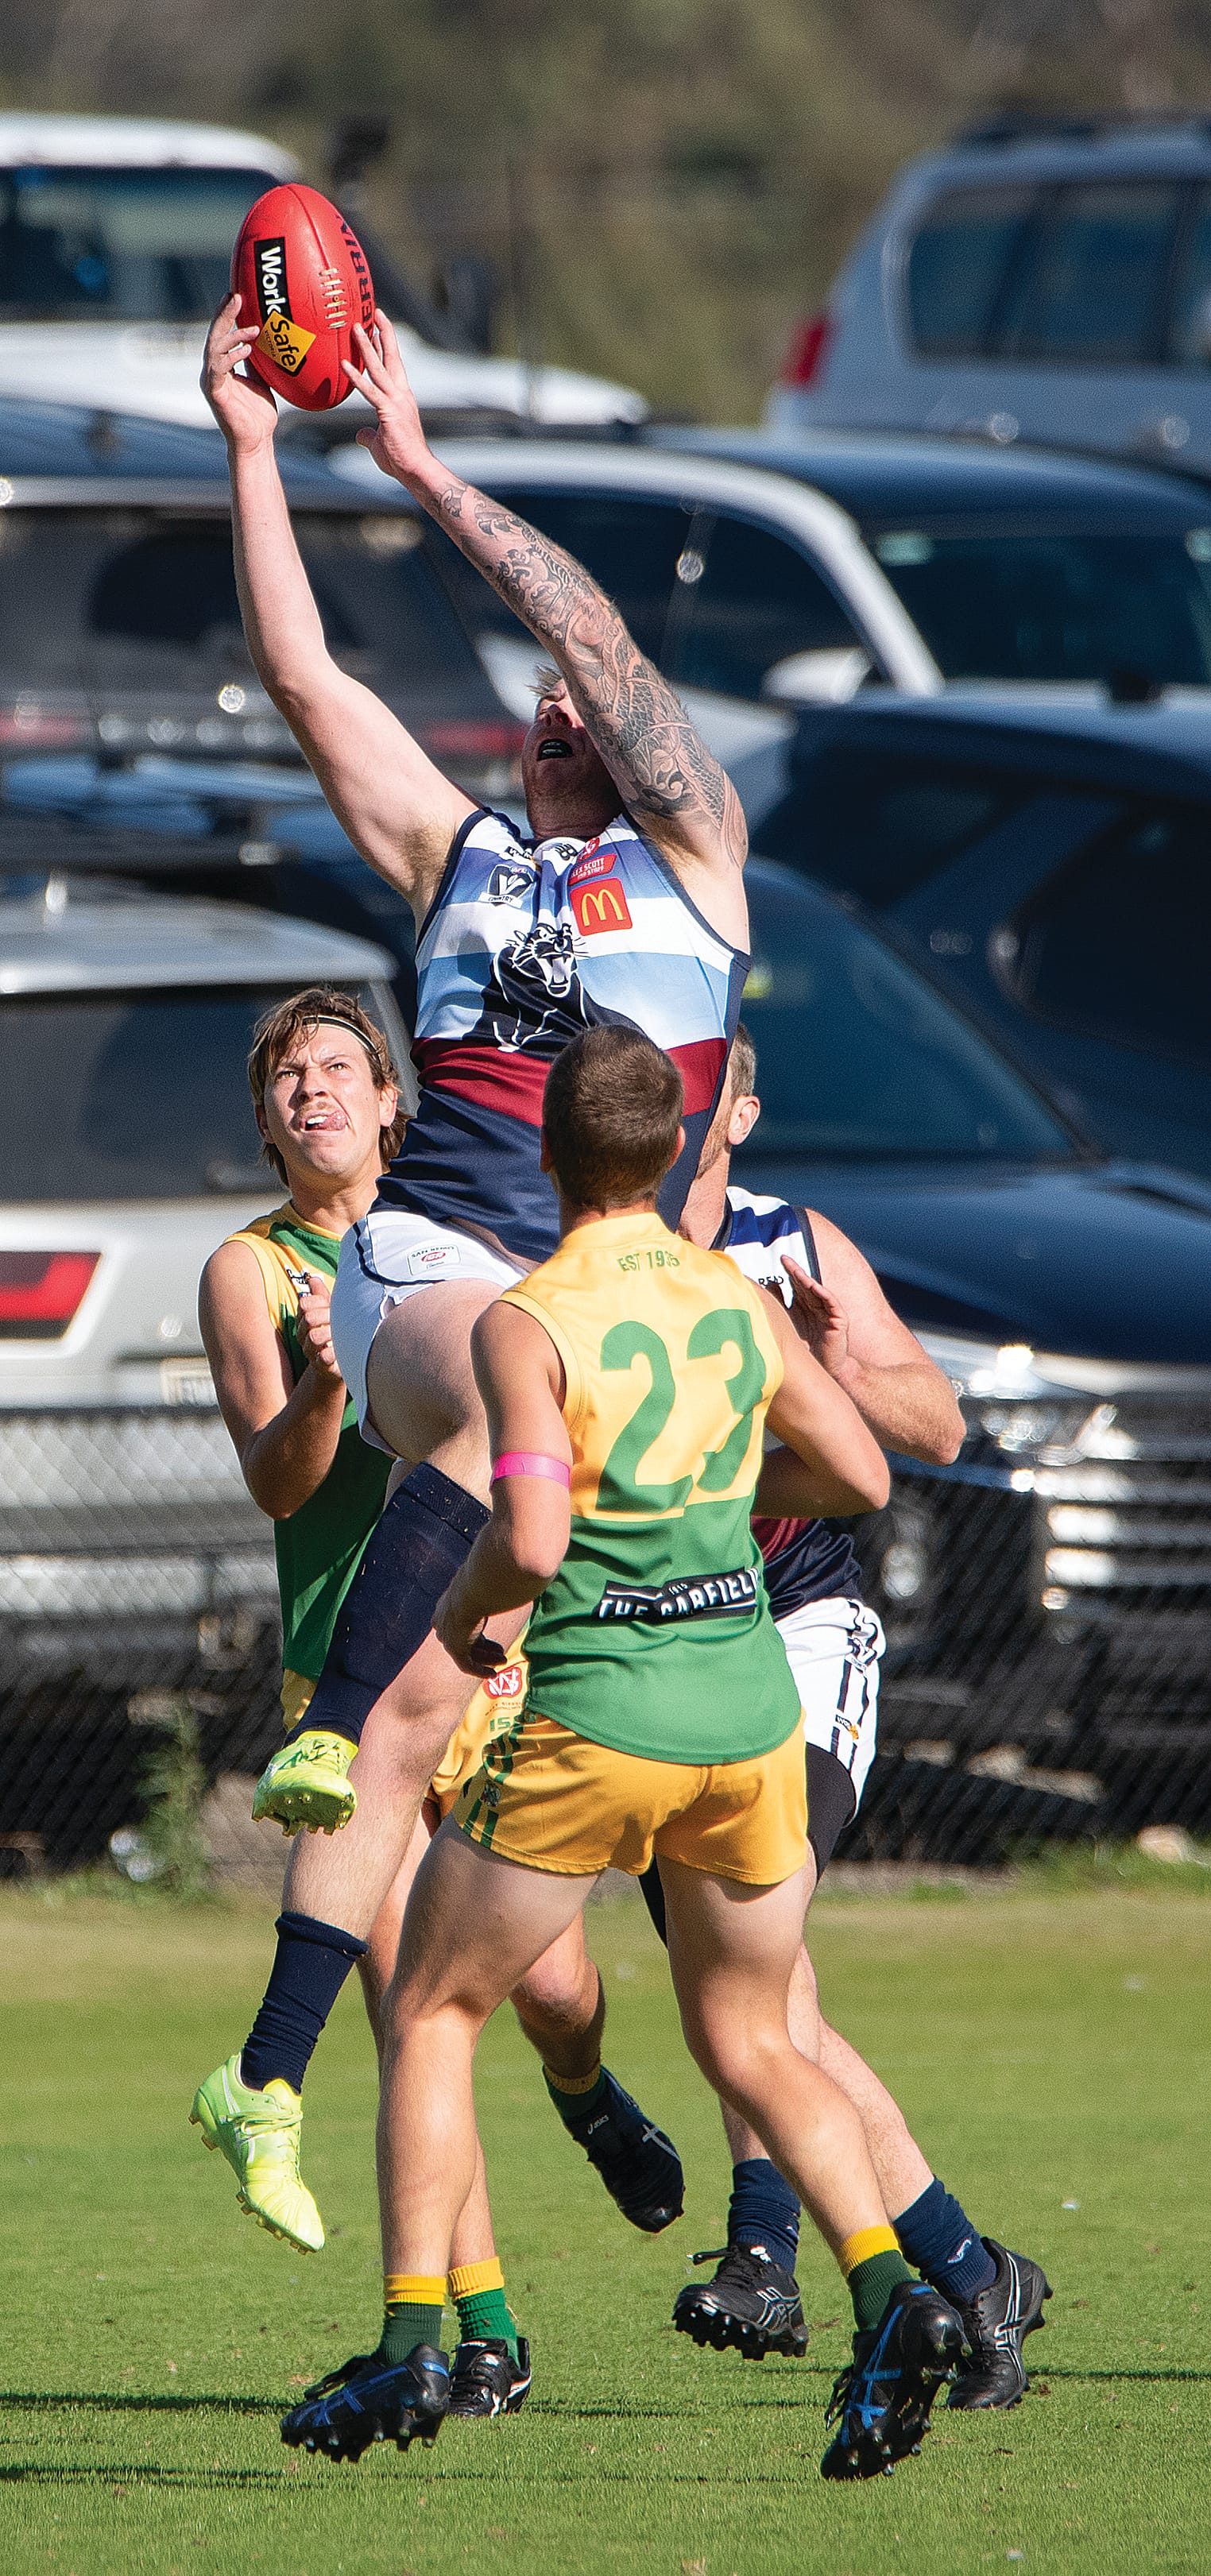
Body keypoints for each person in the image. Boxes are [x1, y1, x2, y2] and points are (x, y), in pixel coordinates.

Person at [194, 287, 752, 2214]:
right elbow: (303, 678)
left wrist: (423, 469)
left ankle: (266, 2072)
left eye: (586, 699)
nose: (559, 699)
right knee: (486, 1401)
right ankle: (328, 1724)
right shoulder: (457, 859)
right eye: (541, 700)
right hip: (433, 1270)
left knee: (458, 1731)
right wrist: (258, 453)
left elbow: (593, 632)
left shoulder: (695, 862)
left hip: (610, 1318)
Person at [281, 1027, 969, 2482]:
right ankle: (895, 2296)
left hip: (603, 1714)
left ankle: (417, 2338)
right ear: (674, 1151)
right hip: (747, 1719)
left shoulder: (525, 1318)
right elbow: (860, 1469)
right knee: (759, 2035)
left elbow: (530, 1537)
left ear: (540, 1154)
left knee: (438, 2004)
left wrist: (467, 1620)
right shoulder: (734, 1288)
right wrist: (713, 1501)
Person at [190, 986, 679, 2419]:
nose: (313, 1090)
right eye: (286, 1074)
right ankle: (482, 2327)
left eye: (340, 1066)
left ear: (395, 1102)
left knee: (552, 1987)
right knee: (422, 2006)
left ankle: (587, 2091)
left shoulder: (452, 1254)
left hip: (492, 1665)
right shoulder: (254, 1270)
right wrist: (325, 1397)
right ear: (268, 1116)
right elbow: (276, 1482)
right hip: (355, 1676)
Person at [660, 1025, 1051, 2407]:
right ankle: (968, 2268)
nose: (679, 1091)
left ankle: (774, 2246)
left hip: (796, 1628)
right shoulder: (593, 1245)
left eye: (704, 1072)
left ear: (741, 1107)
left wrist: (841, 1369)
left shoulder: (790, 1245)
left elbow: (936, 1428)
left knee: (750, 1954)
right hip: (664, 1650)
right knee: (743, 1989)